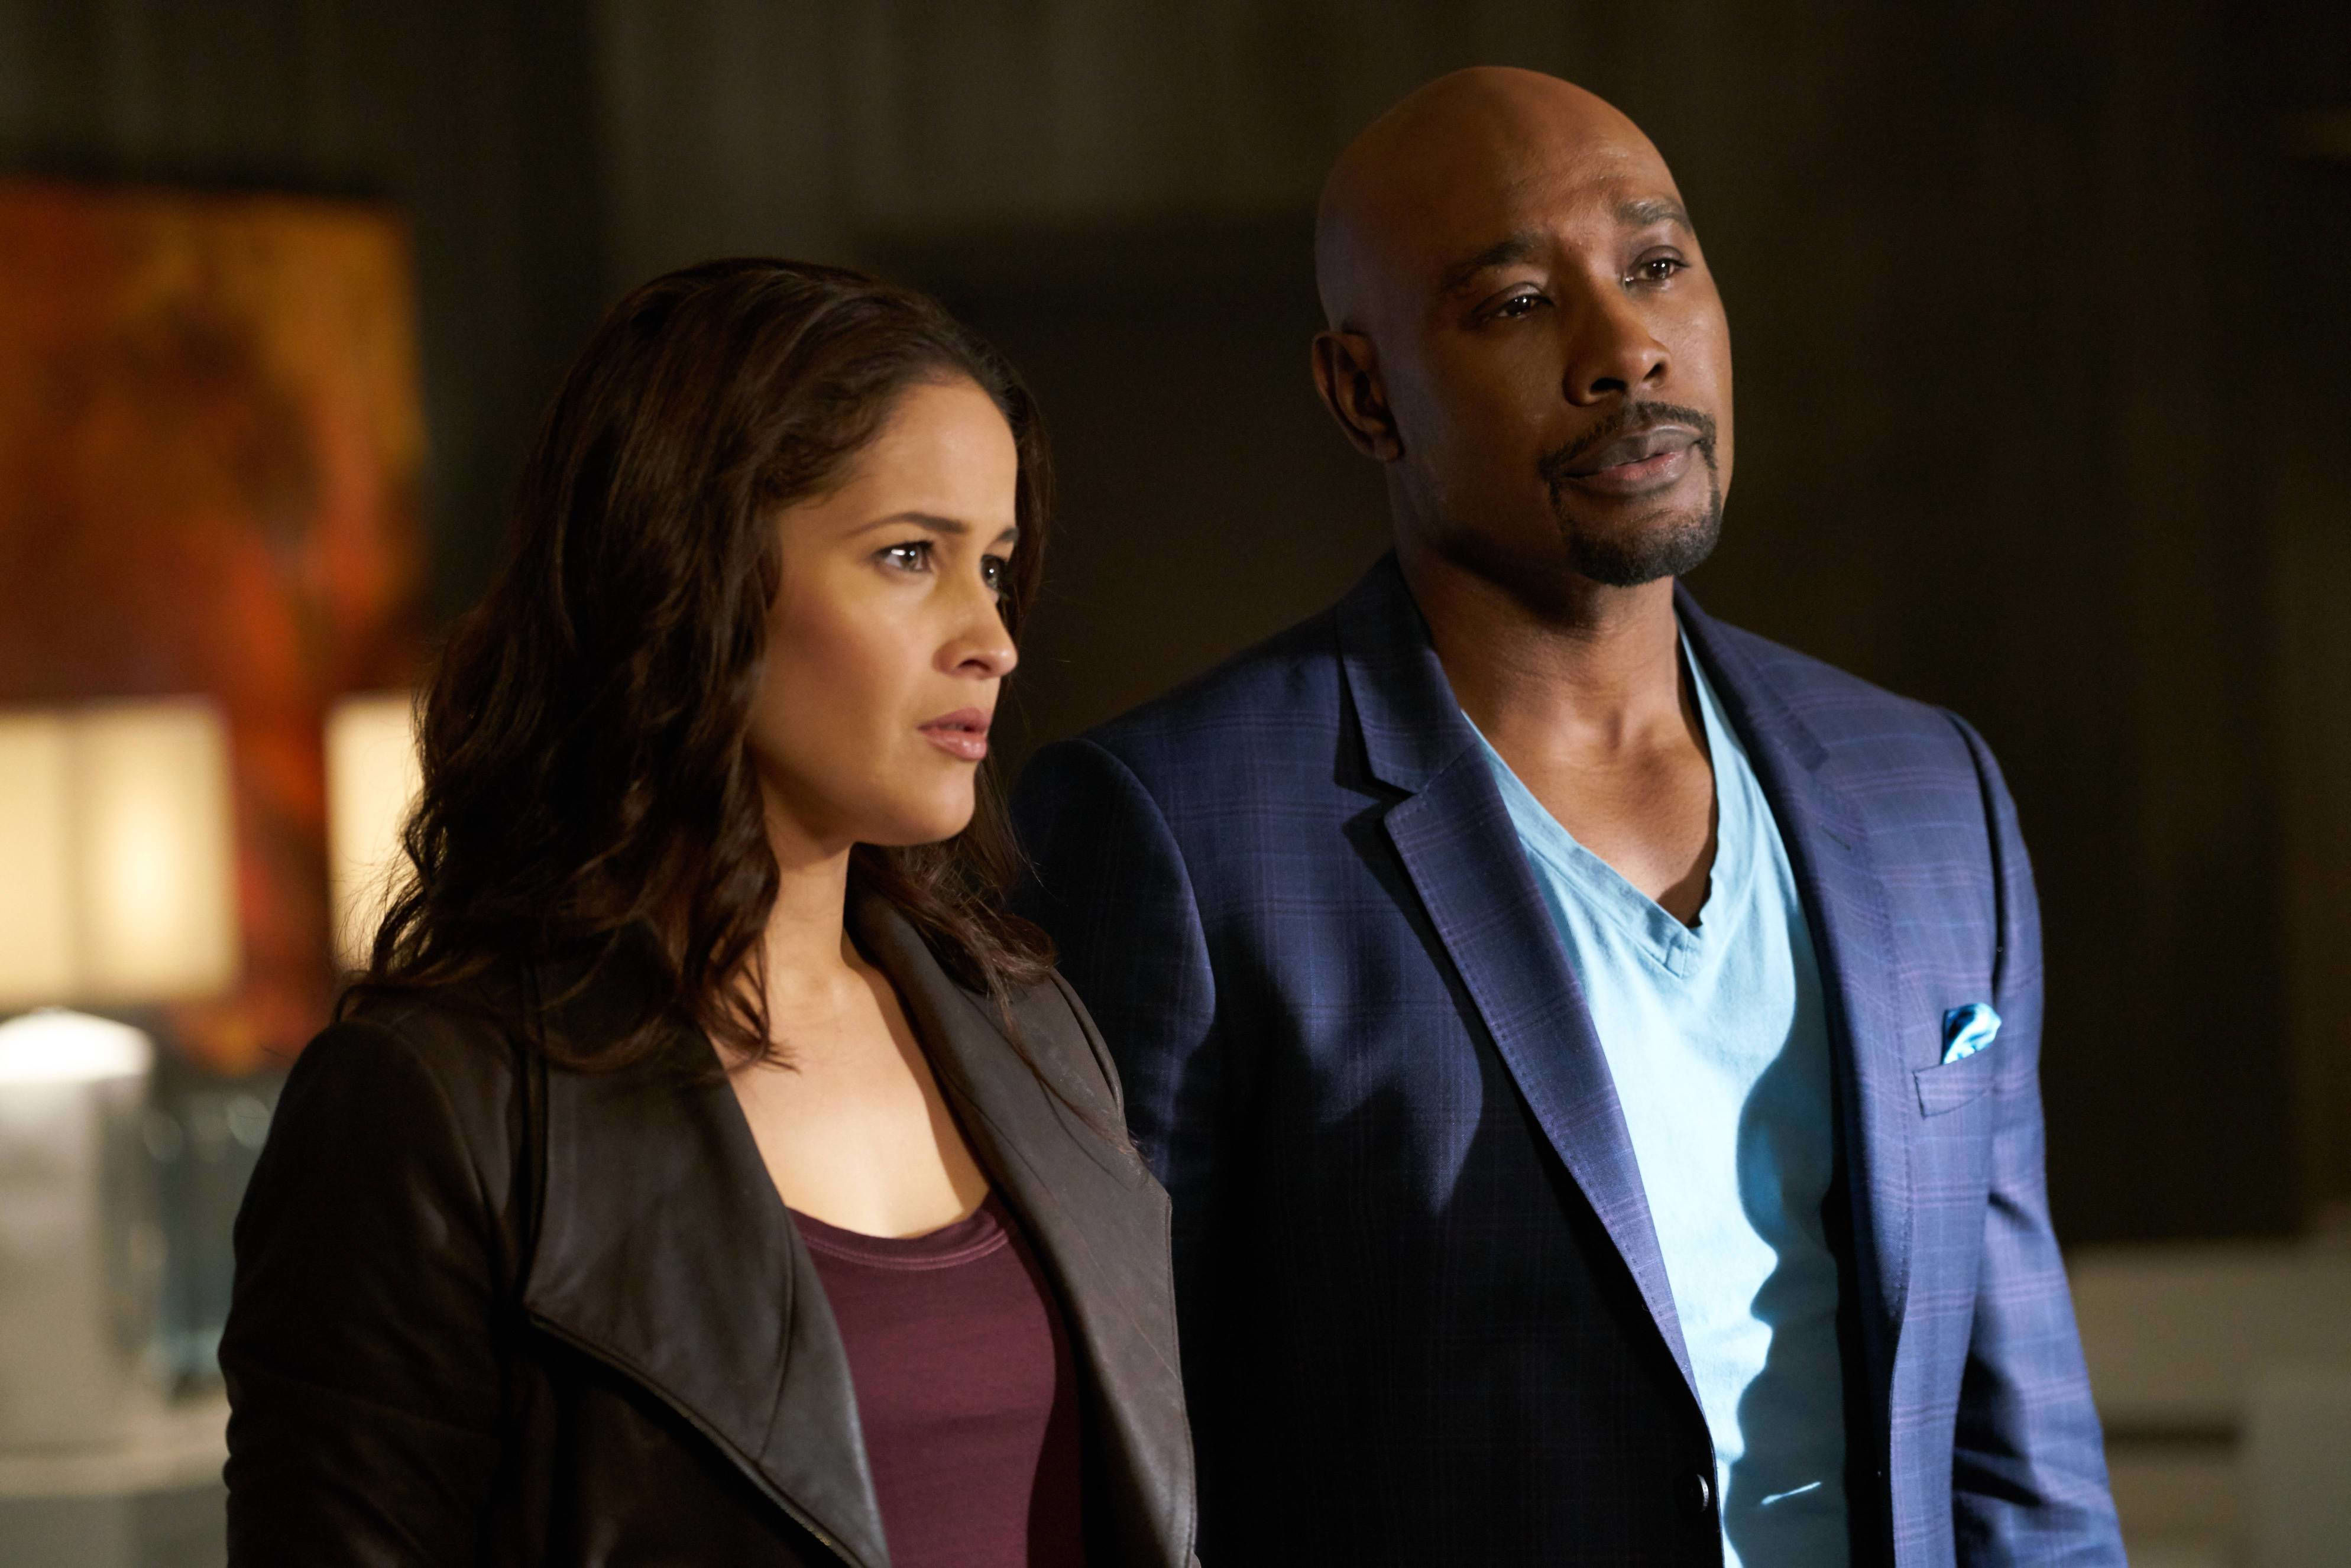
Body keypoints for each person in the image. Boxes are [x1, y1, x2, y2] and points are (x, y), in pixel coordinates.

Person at [1012, 69, 2123, 1568]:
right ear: (1361, 394)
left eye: (1655, 266)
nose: (1624, 352)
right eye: (1520, 305)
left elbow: (2016, 1443)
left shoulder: (1927, 791)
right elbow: (1118, 1468)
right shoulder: (1179, 830)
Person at [222, 260, 1198, 1568]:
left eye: (996, 564)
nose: (993, 638)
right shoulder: (440, 1105)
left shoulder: (1034, 1036)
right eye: (909, 556)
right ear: (693, 576)